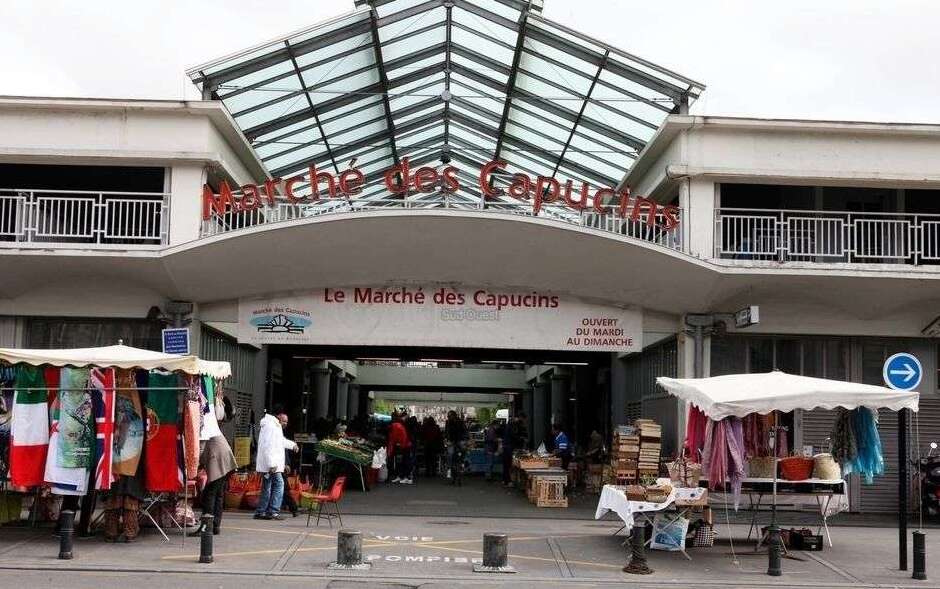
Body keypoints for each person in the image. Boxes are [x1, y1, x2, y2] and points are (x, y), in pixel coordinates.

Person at [254, 409, 298, 520]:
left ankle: (261, 511)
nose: (285, 424)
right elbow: (268, 446)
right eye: (284, 421)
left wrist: (292, 445)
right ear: (278, 417)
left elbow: (279, 441)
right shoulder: (272, 427)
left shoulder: (272, 425)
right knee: (279, 484)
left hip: (270, 464)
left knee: (267, 486)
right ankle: (273, 511)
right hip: (272, 464)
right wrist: (271, 464)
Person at [199, 434, 237, 534]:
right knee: (218, 494)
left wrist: (197, 464)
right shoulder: (212, 426)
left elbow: (200, 450)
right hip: (225, 460)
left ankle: (207, 527)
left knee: (209, 494)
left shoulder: (203, 428)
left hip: (217, 460)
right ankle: (215, 526)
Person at [278, 414, 299, 517]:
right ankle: (292, 508)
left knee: (283, 488)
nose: (285, 423)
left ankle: (293, 508)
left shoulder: (281, 431)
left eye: (286, 421)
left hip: (280, 465)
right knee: (281, 487)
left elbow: (284, 450)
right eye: (283, 421)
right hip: (275, 464)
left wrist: (286, 464)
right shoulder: (275, 431)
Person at [387, 412, 413, 484]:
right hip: (404, 445)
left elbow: (396, 438)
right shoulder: (399, 425)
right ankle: (402, 476)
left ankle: (407, 477)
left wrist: (400, 446)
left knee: (404, 461)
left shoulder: (396, 426)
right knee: (403, 461)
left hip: (404, 446)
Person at [444, 411, 468, 479]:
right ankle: (449, 469)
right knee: (450, 454)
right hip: (451, 440)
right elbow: (446, 432)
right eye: (448, 416)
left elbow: (465, 431)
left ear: (454, 415)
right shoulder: (448, 422)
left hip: (460, 439)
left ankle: (463, 463)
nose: (449, 417)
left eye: (450, 416)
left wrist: (465, 439)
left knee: (464, 449)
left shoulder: (460, 422)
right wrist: (446, 440)